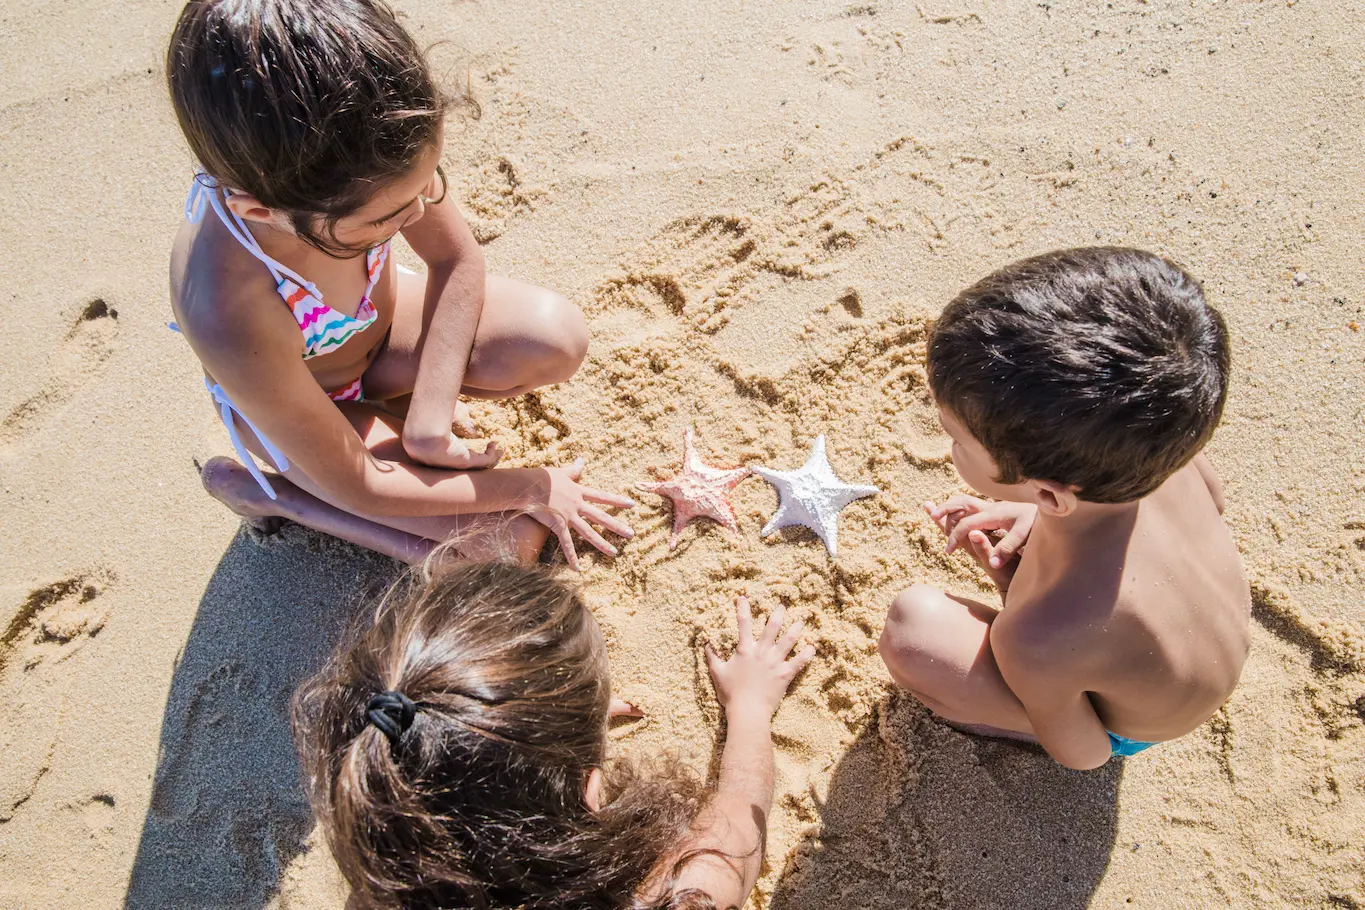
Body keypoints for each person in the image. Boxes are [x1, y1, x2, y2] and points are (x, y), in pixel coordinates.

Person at [166, 0, 633, 567]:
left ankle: (400, 418)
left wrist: (430, 422)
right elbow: (360, 481)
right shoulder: (227, 308)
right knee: (504, 547)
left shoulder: (374, 154)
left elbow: (456, 260)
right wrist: (527, 486)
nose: (417, 215)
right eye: (383, 222)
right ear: (262, 211)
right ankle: (286, 499)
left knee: (555, 339)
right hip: (311, 413)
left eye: (424, 188)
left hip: (383, 335)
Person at [879, 247, 1252, 769]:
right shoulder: (1163, 450)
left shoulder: (1037, 639)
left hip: (1123, 730)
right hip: (1194, 663)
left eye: (956, 440)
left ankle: (1029, 712)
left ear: (1053, 494)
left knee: (913, 631)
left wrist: (1038, 650)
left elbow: (1086, 755)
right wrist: (1036, 517)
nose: (951, 448)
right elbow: (1199, 515)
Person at [293, 559, 815, 909]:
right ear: (590, 790)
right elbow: (737, 822)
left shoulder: (382, 854)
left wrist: (526, 733)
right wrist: (749, 707)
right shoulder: (669, 898)